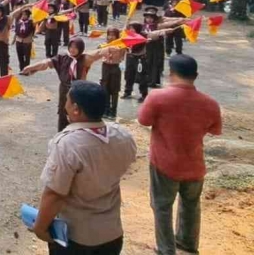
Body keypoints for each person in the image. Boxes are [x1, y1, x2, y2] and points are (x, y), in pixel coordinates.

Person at [32, 81, 137, 255]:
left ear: (76, 109)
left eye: (67, 100)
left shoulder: (67, 145)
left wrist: (40, 227)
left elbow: (55, 194)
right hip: (112, 233)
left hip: (76, 237)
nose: (64, 104)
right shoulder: (122, 136)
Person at [137, 54, 222, 255]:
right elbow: (215, 130)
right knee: (191, 205)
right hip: (195, 165)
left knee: (162, 206)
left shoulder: (157, 97)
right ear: (196, 75)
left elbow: (143, 120)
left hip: (164, 163)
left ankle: (166, 249)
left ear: (171, 74)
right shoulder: (210, 103)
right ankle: (188, 243)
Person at [21, 38, 118, 132]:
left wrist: (108, 49)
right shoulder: (62, 58)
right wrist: (31, 67)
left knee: (78, 113)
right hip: (64, 89)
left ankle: (76, 135)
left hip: (78, 90)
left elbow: (97, 53)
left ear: (80, 48)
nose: (72, 49)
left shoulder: (84, 58)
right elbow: (45, 63)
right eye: (71, 47)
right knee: (63, 111)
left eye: (75, 47)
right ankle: (61, 134)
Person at [99, 27, 127, 119]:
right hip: (105, 67)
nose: (111, 37)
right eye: (109, 35)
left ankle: (113, 111)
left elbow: (122, 56)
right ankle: (106, 109)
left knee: (114, 90)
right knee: (105, 88)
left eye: (113, 35)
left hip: (115, 67)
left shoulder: (121, 45)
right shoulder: (104, 44)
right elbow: (99, 53)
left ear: (117, 36)